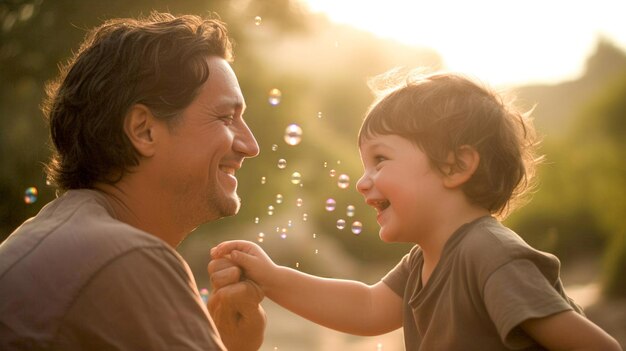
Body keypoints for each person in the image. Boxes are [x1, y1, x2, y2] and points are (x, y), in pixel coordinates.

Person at [210, 71, 623, 350]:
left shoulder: (490, 254)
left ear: (457, 166)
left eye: (381, 160)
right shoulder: (423, 262)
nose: (362, 181)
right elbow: (367, 308)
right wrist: (273, 278)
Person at [0, 12, 266, 351]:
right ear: (144, 130)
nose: (251, 146)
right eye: (226, 118)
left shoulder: (61, 236)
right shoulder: (126, 257)